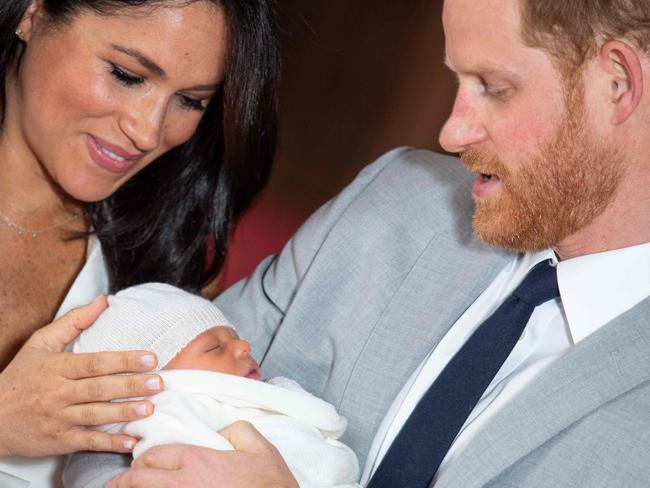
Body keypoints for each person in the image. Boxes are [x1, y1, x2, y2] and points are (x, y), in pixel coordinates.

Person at [71, 0, 650, 486]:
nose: (452, 133)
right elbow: (118, 420)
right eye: (457, 80)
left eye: (493, 87)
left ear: (617, 84)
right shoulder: (395, 197)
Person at [0, 0, 279, 485]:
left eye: (192, 100)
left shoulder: (156, 269)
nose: (148, 131)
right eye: (127, 74)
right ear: (31, 13)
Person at [69, 282, 361, 488]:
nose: (244, 345)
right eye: (215, 347)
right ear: (151, 382)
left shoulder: (254, 399)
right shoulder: (168, 411)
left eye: (235, 335)